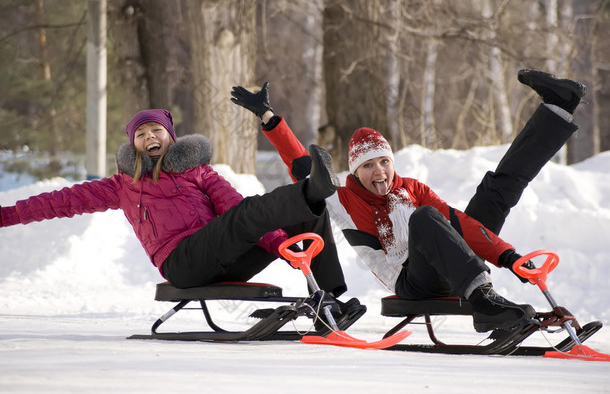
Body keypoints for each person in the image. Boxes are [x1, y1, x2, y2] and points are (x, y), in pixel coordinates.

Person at [230, 69, 585, 333]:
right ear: (356, 171)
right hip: (413, 280)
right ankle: (483, 299)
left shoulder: (411, 188)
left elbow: (461, 226)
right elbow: (303, 168)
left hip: (451, 261)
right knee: (425, 218)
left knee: (497, 191)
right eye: (368, 166)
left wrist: (509, 257)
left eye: (384, 161)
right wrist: (269, 118)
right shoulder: (343, 199)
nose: (380, 172)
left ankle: (558, 109)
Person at [0, 108, 357, 317]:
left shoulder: (199, 172)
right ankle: (309, 188)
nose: (150, 136)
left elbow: (236, 209)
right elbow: (56, 202)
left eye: (157, 130)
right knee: (254, 212)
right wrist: (5, 215)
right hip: (183, 263)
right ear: (134, 145)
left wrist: (281, 243)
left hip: (226, 257)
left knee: (308, 214)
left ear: (170, 137)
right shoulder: (122, 185)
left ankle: (330, 304)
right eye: (142, 134)